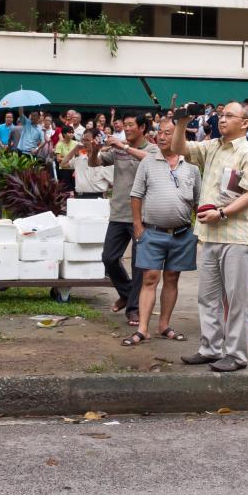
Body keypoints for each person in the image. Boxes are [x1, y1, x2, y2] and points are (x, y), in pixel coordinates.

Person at [173, 102, 248, 373]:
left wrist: (221, 213)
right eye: (221, 115)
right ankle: (210, 348)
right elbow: (179, 149)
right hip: (209, 234)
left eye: (229, 116)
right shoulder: (212, 147)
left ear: (245, 123)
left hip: (237, 236)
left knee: (236, 300)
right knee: (207, 297)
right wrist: (180, 123)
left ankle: (236, 354)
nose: (222, 120)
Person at [122, 120, 201, 346]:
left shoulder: (192, 166)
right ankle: (143, 328)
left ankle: (164, 324)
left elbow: (198, 201)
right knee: (150, 277)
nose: (163, 137)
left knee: (172, 278)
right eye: (160, 133)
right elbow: (136, 195)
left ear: (179, 137)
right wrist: (138, 226)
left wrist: (198, 230)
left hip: (183, 233)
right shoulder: (148, 161)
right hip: (152, 232)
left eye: (169, 133)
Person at [91, 114, 156, 325]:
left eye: (130, 125)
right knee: (109, 257)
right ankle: (127, 292)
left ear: (142, 127)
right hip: (118, 212)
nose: (126, 128)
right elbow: (95, 163)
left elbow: (149, 160)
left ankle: (134, 309)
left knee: (139, 264)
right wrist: (93, 149)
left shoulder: (152, 149)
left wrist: (123, 146)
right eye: (124, 125)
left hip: (142, 215)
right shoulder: (117, 149)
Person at [62, 127, 113, 197]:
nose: (84, 143)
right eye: (83, 140)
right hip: (80, 197)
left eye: (87, 140)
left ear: (96, 140)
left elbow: (113, 183)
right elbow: (63, 164)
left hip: (97, 198)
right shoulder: (80, 158)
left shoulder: (104, 159)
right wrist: (74, 150)